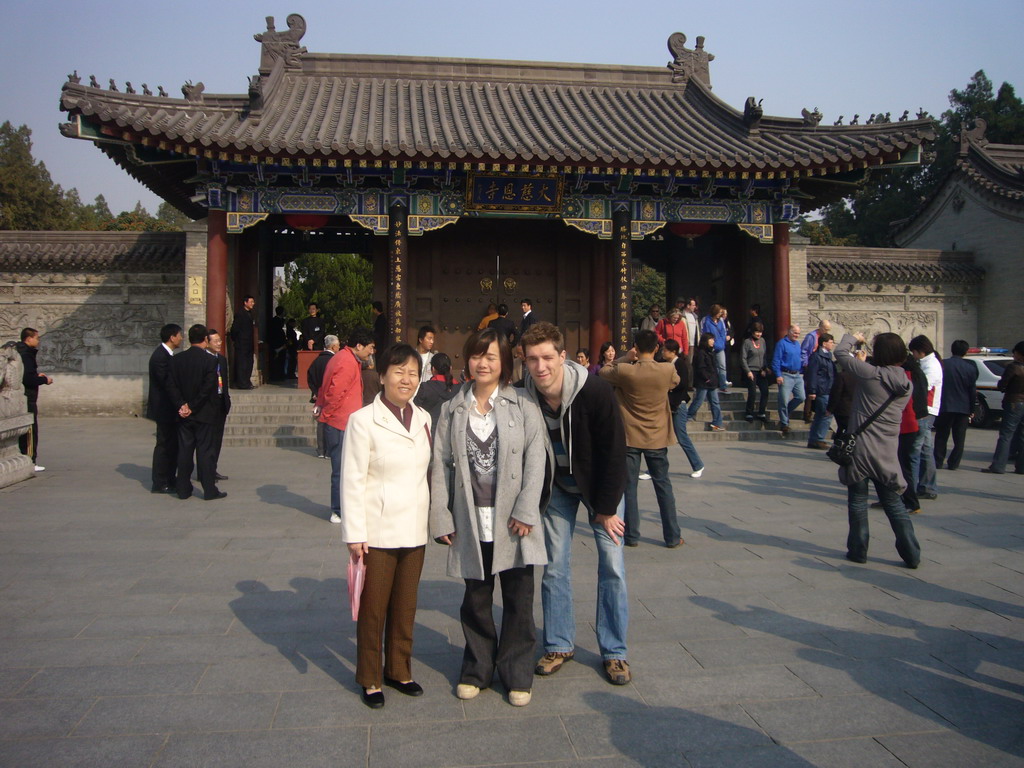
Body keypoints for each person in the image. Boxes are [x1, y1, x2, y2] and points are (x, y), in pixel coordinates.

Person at [430, 328, 547, 706]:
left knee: (518, 600)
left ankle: (516, 673)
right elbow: (439, 464)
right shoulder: (453, 407)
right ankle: (477, 669)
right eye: (478, 355)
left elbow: (536, 460)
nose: (483, 363)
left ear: (504, 364)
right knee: (476, 600)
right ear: (468, 359)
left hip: (514, 521)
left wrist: (527, 509)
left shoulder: (523, 405)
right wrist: (441, 517)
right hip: (471, 516)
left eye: (492, 357)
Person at [520, 321, 631, 686]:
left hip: (601, 487)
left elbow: (616, 451)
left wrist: (607, 508)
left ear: (563, 357)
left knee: (612, 564)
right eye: (533, 359)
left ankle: (614, 651)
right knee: (554, 567)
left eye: (548, 357)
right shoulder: (526, 394)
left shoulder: (594, 390)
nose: (541, 367)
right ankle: (559, 643)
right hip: (558, 489)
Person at [341, 343, 432, 709]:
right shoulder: (363, 420)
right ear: (381, 376)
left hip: (414, 528)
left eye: (412, 372)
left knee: (406, 605)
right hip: (377, 531)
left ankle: (399, 669)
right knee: (373, 608)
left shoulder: (424, 418)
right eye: (398, 371)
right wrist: (355, 534)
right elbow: (352, 480)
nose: (406, 379)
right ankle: (370, 677)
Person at [834, 331, 920, 569]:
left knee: (858, 502)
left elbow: (840, 352)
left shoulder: (870, 375)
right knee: (894, 504)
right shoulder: (906, 384)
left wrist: (853, 337)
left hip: (860, 450)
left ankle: (858, 551)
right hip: (886, 451)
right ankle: (911, 553)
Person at [601, 330, 682, 548]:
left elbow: (603, 371)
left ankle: (632, 536)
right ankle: (672, 536)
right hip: (657, 436)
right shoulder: (666, 369)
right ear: (657, 348)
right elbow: (676, 382)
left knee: (629, 487)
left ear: (635, 347)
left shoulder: (625, 370)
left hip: (630, 435)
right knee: (663, 485)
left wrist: (625, 358)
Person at [315, 328, 376, 524]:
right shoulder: (347, 362)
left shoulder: (344, 358)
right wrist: (327, 414)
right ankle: (338, 509)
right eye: (370, 348)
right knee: (342, 469)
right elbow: (335, 392)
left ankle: (344, 507)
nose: (371, 352)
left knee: (345, 468)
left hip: (342, 421)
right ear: (359, 346)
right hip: (340, 422)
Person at [168, 324, 226, 501]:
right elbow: (208, 387)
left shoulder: (177, 360)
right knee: (205, 452)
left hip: (183, 414)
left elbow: (171, 386)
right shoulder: (210, 361)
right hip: (204, 413)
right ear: (205, 340)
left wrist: (182, 405)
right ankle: (209, 490)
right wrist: (193, 406)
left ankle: (183, 489)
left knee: (184, 451)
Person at [146, 323, 182, 492]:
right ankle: (160, 482)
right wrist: (181, 404)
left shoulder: (168, 355)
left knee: (172, 444)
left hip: (170, 409)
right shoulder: (160, 357)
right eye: (179, 335)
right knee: (164, 445)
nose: (181, 338)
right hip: (164, 408)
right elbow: (167, 385)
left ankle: (170, 478)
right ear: (172, 337)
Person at [934, 340, 978, 471]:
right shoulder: (970, 368)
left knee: (941, 435)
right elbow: (972, 391)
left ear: (951, 349)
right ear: (966, 351)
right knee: (959, 438)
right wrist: (972, 409)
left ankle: (938, 461)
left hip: (945, 406)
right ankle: (954, 463)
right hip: (963, 408)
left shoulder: (943, 365)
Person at [908, 335, 942, 500]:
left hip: (925, 410)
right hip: (927, 410)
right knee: (925, 449)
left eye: (913, 352)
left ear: (920, 351)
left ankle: (914, 488)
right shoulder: (926, 363)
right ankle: (928, 486)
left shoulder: (931, 366)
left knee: (916, 449)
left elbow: (922, 387)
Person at [662, 339, 704, 477]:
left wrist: (669, 386)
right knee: (661, 437)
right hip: (668, 404)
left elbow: (683, 384)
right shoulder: (666, 364)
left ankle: (698, 464)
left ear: (673, 352)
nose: (663, 352)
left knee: (682, 436)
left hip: (678, 405)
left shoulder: (679, 364)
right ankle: (654, 469)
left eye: (665, 350)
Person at [982, 340, 1024, 474]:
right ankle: (1021, 467)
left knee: (1006, 434)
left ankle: (998, 465)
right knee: (1022, 435)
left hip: (1013, 402)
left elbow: (1002, 384)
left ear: (1018, 353)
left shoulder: (1014, 367)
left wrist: (1003, 387)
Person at [15, 328, 52, 472]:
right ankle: (30, 460)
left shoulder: (22, 353)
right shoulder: (26, 355)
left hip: (23, 397)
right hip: (27, 398)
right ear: (28, 338)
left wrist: (37, 376)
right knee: (30, 430)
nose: (38, 341)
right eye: (37, 338)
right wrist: (44, 379)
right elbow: (28, 379)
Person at [308, 334, 340, 458]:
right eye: (337, 346)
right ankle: (329, 450)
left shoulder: (317, 360)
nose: (339, 348)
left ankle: (321, 450)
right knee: (330, 422)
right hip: (330, 394)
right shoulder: (334, 361)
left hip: (318, 395)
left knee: (321, 422)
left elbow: (310, 377)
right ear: (332, 346)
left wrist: (316, 391)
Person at [206, 329, 231, 481]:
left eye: (220, 341)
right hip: (207, 404)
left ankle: (212, 468)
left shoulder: (221, 360)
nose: (219, 343)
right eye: (215, 341)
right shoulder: (203, 359)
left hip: (220, 402)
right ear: (207, 342)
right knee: (207, 440)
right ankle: (206, 471)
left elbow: (225, 381)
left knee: (217, 439)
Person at [804, 333, 836, 449]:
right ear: (824, 343)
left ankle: (813, 440)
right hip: (822, 390)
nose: (832, 344)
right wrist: (812, 391)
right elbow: (812, 375)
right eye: (831, 342)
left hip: (827, 389)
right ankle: (819, 438)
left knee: (820, 415)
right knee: (826, 414)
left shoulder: (828, 356)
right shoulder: (816, 357)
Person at [772, 324, 805, 435]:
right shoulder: (782, 344)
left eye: (798, 333)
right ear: (789, 331)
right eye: (795, 333)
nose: (797, 335)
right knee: (784, 400)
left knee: (801, 397)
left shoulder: (797, 344)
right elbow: (776, 360)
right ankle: (784, 423)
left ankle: (786, 413)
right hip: (785, 374)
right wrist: (778, 375)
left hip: (797, 375)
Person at [688, 332, 724, 431]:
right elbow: (700, 368)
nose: (713, 341)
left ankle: (717, 422)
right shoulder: (700, 353)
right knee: (699, 400)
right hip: (703, 382)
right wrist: (707, 378)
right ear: (705, 341)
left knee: (715, 402)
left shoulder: (710, 352)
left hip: (712, 382)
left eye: (713, 339)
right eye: (711, 339)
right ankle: (688, 415)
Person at [414, 352, 458, 429]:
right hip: (453, 434)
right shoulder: (460, 389)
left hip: (430, 433)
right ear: (450, 368)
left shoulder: (426, 387)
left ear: (433, 369)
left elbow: (415, 411)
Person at [740, 321, 770, 423]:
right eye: (757, 332)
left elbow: (764, 356)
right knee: (752, 392)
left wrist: (765, 368)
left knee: (765, 391)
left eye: (760, 332)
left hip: (761, 370)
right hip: (751, 370)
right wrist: (748, 371)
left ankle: (762, 412)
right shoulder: (747, 342)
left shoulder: (762, 341)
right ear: (752, 331)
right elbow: (743, 358)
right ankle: (749, 412)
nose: (759, 334)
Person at [230, 295, 256, 389]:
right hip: (241, 343)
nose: (253, 304)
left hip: (249, 344)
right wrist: (236, 340)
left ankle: (247, 381)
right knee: (242, 364)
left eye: (253, 302)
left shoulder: (251, 314)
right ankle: (241, 383)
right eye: (251, 302)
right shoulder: (240, 314)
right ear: (245, 302)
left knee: (249, 363)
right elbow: (234, 329)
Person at [701, 304, 729, 391]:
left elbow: (723, 333)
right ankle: (714, 384)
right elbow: (707, 334)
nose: (720, 314)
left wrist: (722, 343)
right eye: (719, 312)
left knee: (722, 366)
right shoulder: (707, 321)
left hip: (720, 347)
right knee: (712, 366)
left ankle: (723, 385)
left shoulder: (720, 321)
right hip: (711, 347)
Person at [268, 306, 287, 381]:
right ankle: (277, 376)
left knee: (279, 361)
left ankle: (279, 375)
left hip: (277, 343)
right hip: (277, 344)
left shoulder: (275, 321)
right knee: (278, 361)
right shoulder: (276, 321)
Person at [682, 298, 700, 368]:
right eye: (693, 305)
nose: (694, 307)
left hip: (693, 344)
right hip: (686, 343)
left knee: (690, 363)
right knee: (685, 363)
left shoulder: (694, 316)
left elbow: (697, 330)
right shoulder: (682, 316)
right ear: (688, 305)